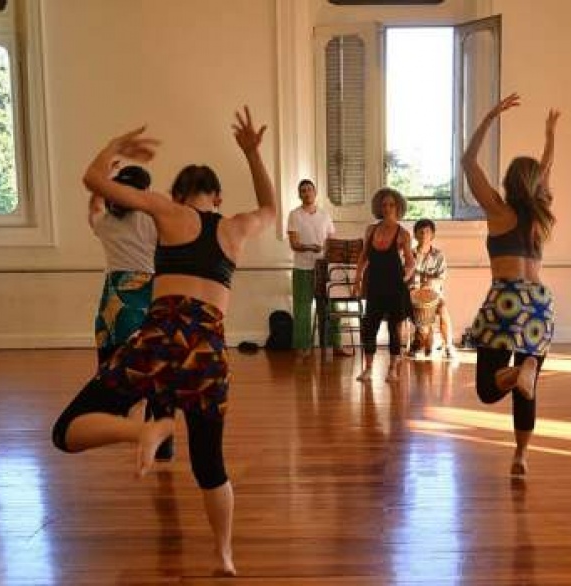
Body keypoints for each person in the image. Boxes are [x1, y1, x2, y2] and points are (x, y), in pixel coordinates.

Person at [51, 106, 276, 577]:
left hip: (157, 338)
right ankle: (224, 556)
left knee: (67, 430)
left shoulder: (164, 209)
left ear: (177, 194)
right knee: (210, 466)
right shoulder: (234, 228)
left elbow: (93, 180)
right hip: (206, 351)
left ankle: (143, 429)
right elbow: (272, 210)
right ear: (216, 196)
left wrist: (116, 145)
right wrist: (253, 153)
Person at [461, 93, 558, 478]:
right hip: (540, 304)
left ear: (506, 182)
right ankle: (520, 457)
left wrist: (489, 116)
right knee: (526, 387)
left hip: (506, 299)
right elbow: (547, 169)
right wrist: (550, 136)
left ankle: (520, 372)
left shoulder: (498, 211)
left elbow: (468, 162)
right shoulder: (542, 214)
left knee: (487, 388)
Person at [88, 164, 175, 462]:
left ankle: (129, 427)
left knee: (119, 369)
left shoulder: (107, 222)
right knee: (158, 368)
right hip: (148, 297)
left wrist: (102, 184)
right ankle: (163, 442)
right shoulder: (153, 220)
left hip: (114, 302)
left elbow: (94, 208)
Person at [351, 188, 416, 382]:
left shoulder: (403, 234)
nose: (387, 208)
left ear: (398, 207)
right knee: (370, 326)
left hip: (395, 287)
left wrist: (406, 277)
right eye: (384, 204)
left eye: (391, 205)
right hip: (375, 287)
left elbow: (411, 262)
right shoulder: (371, 230)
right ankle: (368, 369)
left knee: (394, 330)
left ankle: (392, 369)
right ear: (379, 207)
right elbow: (363, 257)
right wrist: (357, 279)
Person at [286, 179, 351, 357]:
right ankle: (303, 347)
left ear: (315, 193)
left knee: (332, 306)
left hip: (325, 268)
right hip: (302, 268)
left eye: (309, 189)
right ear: (299, 194)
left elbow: (331, 241)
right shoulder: (294, 215)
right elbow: (294, 244)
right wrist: (309, 247)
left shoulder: (325, 215)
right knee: (302, 308)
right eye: (303, 190)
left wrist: (333, 257)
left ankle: (334, 345)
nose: (306, 193)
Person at [406, 218, 455, 359]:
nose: (424, 235)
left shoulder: (438, 255)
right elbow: (403, 276)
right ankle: (420, 342)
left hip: (433, 295)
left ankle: (448, 346)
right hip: (413, 296)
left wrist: (430, 283)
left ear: (432, 235)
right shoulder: (409, 254)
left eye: (427, 232)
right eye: (420, 232)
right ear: (415, 235)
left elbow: (441, 277)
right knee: (424, 328)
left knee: (444, 310)